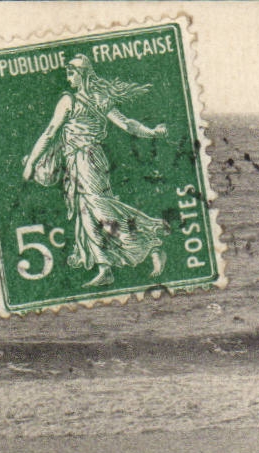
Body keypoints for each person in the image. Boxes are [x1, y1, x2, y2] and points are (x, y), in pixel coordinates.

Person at [22, 54, 170, 286]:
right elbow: (127, 124)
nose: (68, 78)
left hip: (86, 160)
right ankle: (105, 267)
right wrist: (151, 132)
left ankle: (151, 243)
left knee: (100, 210)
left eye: (71, 73)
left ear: (83, 74)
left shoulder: (70, 101)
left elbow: (50, 133)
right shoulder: (99, 98)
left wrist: (31, 162)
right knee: (88, 212)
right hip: (86, 160)